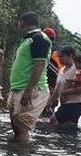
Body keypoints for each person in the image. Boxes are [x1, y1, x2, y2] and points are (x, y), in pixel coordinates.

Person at [7, 12, 51, 143]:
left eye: (19, 22)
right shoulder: (27, 39)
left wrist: (29, 90)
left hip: (31, 89)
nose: (18, 25)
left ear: (23, 22)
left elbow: (39, 65)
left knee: (21, 128)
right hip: (18, 88)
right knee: (16, 126)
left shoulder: (39, 38)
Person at [49, 49, 81, 126]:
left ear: (70, 56)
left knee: (54, 119)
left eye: (61, 57)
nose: (59, 59)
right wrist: (50, 102)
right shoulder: (61, 70)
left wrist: (76, 89)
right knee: (68, 124)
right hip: (67, 102)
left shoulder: (80, 67)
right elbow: (58, 88)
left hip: (78, 101)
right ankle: (67, 137)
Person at [43, 27, 61, 116]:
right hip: (57, 75)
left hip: (51, 73)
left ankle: (48, 107)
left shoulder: (47, 46)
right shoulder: (57, 48)